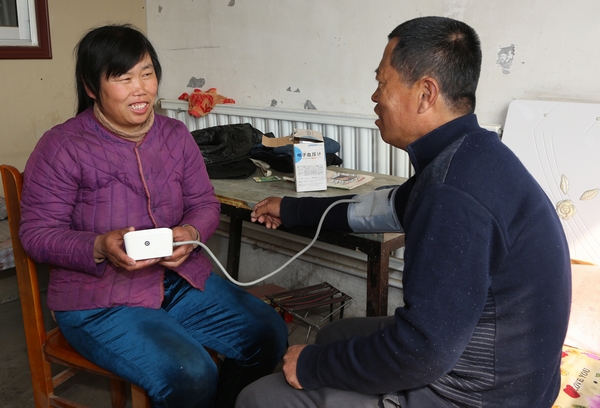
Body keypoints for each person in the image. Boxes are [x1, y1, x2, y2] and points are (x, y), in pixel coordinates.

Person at [239, 16, 571, 408]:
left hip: (480, 395)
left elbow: (421, 351)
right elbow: (376, 208)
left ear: (426, 94)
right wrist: (291, 208)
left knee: (259, 396)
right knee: (333, 335)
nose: (374, 96)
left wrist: (312, 366)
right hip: (502, 364)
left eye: (382, 83)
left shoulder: (452, 194)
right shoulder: (469, 153)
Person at [18, 24, 287, 408]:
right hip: (99, 301)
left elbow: (204, 203)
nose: (140, 88)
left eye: (147, 74)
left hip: (178, 280)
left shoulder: (175, 135)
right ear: (92, 87)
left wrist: (190, 231)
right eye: (123, 78)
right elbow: (37, 234)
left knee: (268, 333)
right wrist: (99, 246)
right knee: (190, 374)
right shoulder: (62, 146)